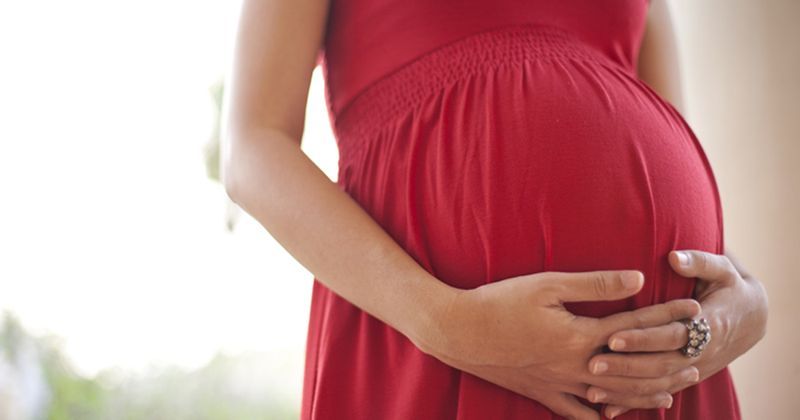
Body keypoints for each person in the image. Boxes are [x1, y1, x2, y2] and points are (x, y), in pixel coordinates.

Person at [220, 0, 768, 419]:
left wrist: (741, 297)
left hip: (658, 378)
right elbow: (253, 146)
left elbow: (661, 137)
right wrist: (446, 324)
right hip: (436, 346)